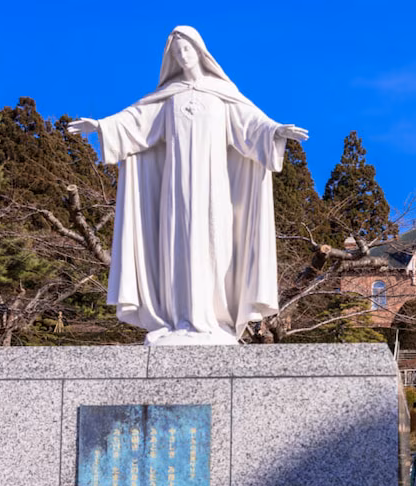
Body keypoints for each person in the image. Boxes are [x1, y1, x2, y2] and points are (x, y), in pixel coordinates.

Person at [69, 26, 308, 345]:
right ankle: (179, 318)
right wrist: (100, 125)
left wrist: (276, 131)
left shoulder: (222, 96)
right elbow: (135, 123)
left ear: (199, 51)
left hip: (214, 189)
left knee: (216, 246)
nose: (182, 55)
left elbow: (251, 125)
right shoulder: (167, 98)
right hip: (175, 191)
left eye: (187, 49)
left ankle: (212, 318)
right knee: (176, 249)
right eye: (176, 51)